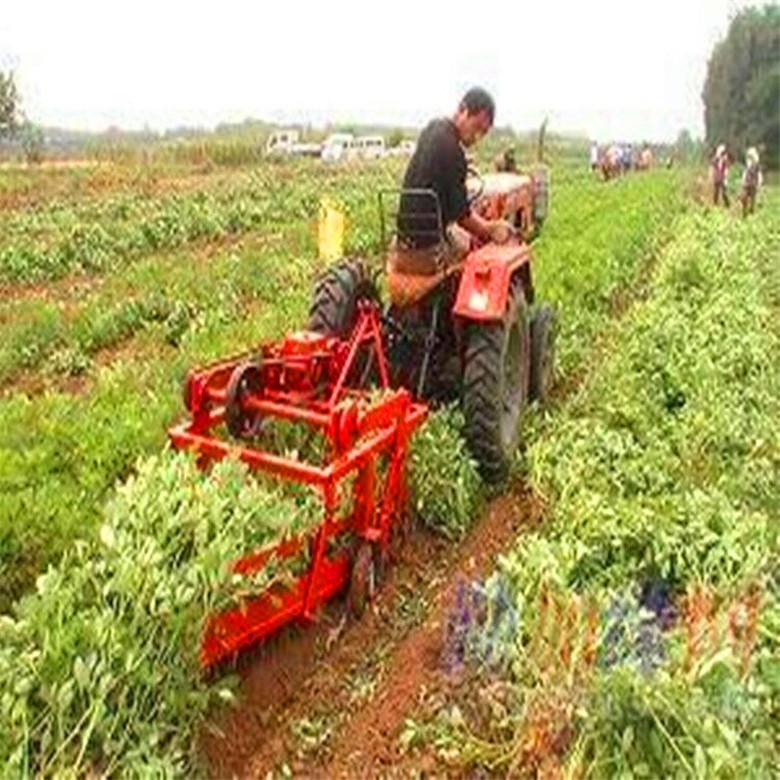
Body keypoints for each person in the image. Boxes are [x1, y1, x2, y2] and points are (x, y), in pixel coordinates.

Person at [394, 87, 514, 281]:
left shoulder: (433, 128)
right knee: (469, 246)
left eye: (482, 133)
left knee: (456, 235)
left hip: (404, 238)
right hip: (428, 250)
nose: (477, 137)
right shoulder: (454, 152)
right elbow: (462, 217)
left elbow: (435, 173)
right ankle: (455, 305)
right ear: (462, 109)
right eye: (476, 127)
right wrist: (489, 229)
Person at [740, 147, 762, 217]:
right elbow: (745, 173)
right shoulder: (747, 164)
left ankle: (751, 212)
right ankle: (744, 213)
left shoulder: (756, 165)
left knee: (752, 200)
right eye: (749, 156)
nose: (749, 157)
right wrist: (742, 181)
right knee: (744, 198)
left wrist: (759, 183)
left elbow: (759, 175)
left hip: (753, 185)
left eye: (750, 156)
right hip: (746, 184)